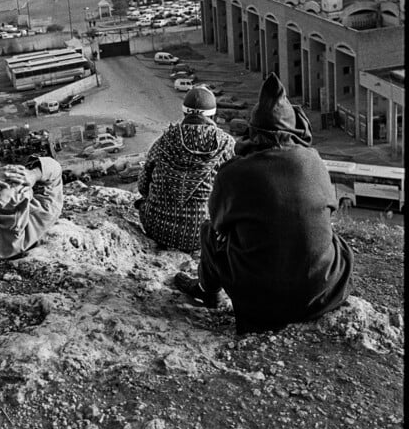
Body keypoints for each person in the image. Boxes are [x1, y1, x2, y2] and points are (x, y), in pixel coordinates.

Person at [175, 73, 354, 334]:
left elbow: (218, 226)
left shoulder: (234, 172)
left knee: (208, 232)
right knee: (334, 239)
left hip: (260, 304)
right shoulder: (314, 161)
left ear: (253, 130)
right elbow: (329, 209)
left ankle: (206, 291)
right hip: (320, 294)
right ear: (294, 129)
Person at [135, 84, 236, 253]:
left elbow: (143, 187)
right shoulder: (227, 144)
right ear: (213, 114)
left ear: (184, 113)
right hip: (205, 233)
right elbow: (236, 193)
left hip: (158, 229)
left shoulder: (164, 140)